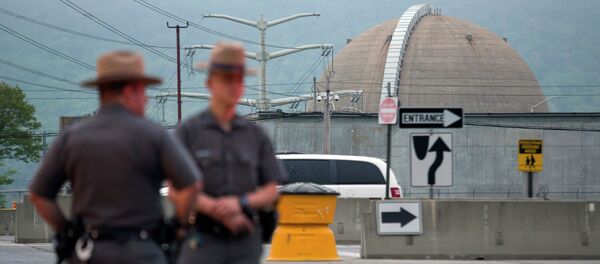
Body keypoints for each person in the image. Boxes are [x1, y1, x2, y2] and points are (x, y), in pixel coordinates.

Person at [29, 51, 201, 264]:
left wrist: (68, 230)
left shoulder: (72, 137)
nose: (147, 98)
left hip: (90, 252)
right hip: (145, 252)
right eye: (143, 91)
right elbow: (191, 185)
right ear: (130, 91)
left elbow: (39, 194)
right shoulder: (154, 135)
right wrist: (176, 226)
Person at [176, 42, 285, 264]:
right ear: (210, 83)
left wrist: (240, 203)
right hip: (202, 239)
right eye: (226, 79)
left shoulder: (255, 135)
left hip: (245, 240)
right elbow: (175, 190)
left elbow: (271, 190)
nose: (234, 85)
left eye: (239, 79)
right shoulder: (189, 132)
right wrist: (218, 209)